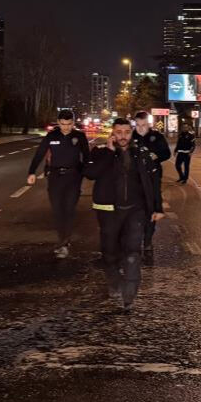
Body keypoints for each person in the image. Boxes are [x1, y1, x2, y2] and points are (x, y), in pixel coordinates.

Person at [84, 118, 164, 310]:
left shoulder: (141, 154)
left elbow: (153, 181)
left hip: (136, 210)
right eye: (118, 132)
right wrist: (110, 153)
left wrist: (157, 207)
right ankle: (114, 281)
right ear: (113, 133)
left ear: (132, 132)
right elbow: (90, 173)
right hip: (109, 211)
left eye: (126, 132)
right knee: (110, 252)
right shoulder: (101, 152)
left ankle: (130, 290)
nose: (122, 136)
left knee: (133, 251)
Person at [27, 109, 90, 258]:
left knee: (69, 209)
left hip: (74, 176)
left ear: (73, 123)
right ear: (59, 123)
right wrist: (31, 172)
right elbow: (39, 154)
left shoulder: (79, 136)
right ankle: (64, 239)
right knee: (57, 210)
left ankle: (63, 242)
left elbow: (87, 157)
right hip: (55, 177)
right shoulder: (52, 136)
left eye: (68, 124)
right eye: (63, 124)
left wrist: (90, 172)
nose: (66, 127)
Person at [131, 111, 171, 252]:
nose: (141, 128)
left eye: (144, 125)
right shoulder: (131, 137)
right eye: (138, 125)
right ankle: (134, 238)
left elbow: (167, 154)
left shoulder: (156, 137)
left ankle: (148, 240)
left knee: (151, 208)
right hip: (134, 179)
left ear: (148, 124)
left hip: (152, 178)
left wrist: (156, 156)